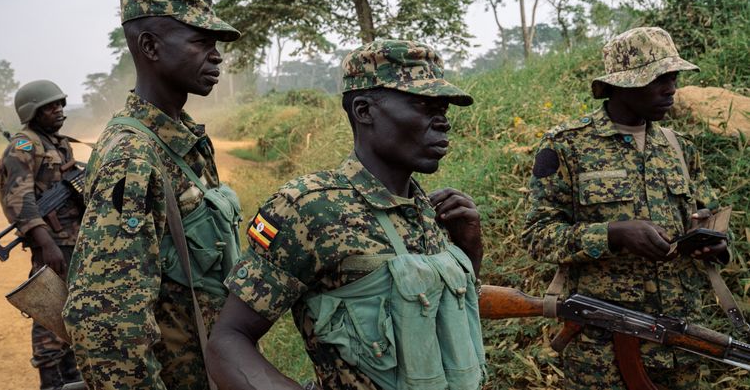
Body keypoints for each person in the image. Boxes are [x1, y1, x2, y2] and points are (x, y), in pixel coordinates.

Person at [205, 40, 487, 390]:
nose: (442, 122)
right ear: (364, 110)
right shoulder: (311, 208)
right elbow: (228, 341)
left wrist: (468, 252)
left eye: (443, 109)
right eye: (423, 105)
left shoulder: (431, 211)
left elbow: (439, 316)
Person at [522, 27, 737, 389]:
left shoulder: (680, 148)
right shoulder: (567, 146)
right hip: (602, 350)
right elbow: (537, 236)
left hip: (679, 342)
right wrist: (612, 234)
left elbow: (711, 217)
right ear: (621, 85)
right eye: (658, 79)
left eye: (674, 78)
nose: (671, 89)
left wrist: (717, 244)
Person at [62, 0, 242, 390]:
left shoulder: (180, 140)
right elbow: (107, 325)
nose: (216, 56)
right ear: (150, 47)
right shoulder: (134, 157)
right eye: (200, 42)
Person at [0, 79, 84, 390]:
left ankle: (72, 375)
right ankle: (49, 378)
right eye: (49, 106)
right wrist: (44, 241)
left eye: (60, 103)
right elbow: (18, 197)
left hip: (74, 238)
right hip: (54, 242)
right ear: (32, 112)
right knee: (51, 307)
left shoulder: (57, 142)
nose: (58, 110)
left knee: (73, 306)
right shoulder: (24, 145)